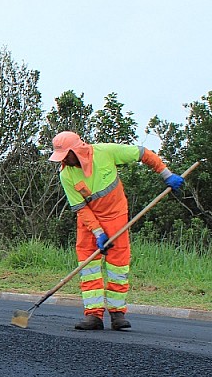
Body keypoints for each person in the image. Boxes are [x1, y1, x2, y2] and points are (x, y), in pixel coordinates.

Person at [48, 130, 185, 331]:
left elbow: (142, 153)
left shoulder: (106, 152)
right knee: (89, 267)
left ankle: (117, 314)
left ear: (78, 151)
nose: (64, 160)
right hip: (88, 222)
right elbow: (81, 208)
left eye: (66, 155)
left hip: (115, 216)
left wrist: (166, 174)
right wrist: (97, 233)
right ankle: (93, 315)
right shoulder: (66, 174)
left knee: (118, 266)